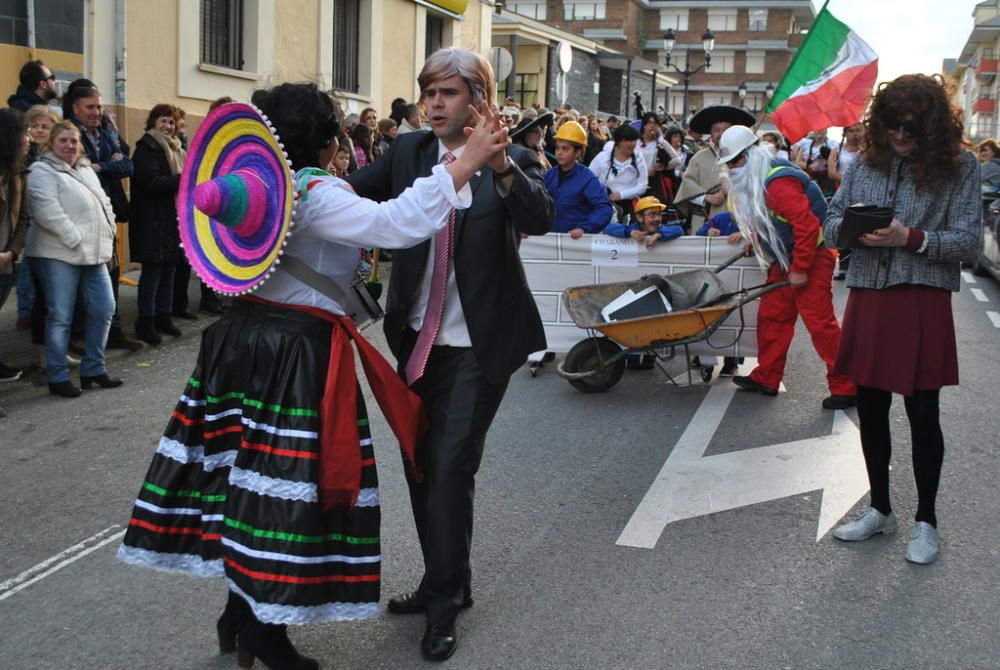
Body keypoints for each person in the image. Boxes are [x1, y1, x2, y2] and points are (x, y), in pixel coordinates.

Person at [118, 82, 510, 669]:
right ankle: (261, 630)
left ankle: (238, 615)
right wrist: (467, 161)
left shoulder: (260, 189)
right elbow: (397, 225)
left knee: (242, 484)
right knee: (284, 497)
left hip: (242, 343)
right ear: (329, 141)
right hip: (294, 353)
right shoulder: (316, 193)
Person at [346, 47, 555, 661]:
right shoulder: (409, 152)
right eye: (428, 92)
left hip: (478, 345)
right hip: (416, 341)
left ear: (478, 100)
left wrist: (503, 168)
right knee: (422, 465)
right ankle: (448, 580)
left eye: (448, 93)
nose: (434, 104)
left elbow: (540, 216)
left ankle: (442, 607)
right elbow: (346, 195)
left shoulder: (510, 156)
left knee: (449, 468)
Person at [825, 74, 981, 565]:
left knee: (922, 413)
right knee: (869, 409)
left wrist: (909, 237)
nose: (899, 135)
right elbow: (830, 222)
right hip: (870, 293)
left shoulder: (960, 167)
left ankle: (926, 521)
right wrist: (851, 232)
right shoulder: (866, 164)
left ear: (932, 124)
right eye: (891, 124)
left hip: (921, 297)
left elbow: (969, 243)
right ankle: (881, 510)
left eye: (910, 126)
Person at [715, 124, 856, 409]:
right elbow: (772, 219)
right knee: (772, 315)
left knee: (820, 324)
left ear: (750, 154)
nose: (731, 169)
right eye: (728, 164)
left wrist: (802, 268)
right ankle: (767, 376)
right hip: (789, 256)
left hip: (812, 255)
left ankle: (847, 387)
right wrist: (756, 239)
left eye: (734, 162)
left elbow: (806, 225)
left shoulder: (778, 183)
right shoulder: (761, 178)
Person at [24, 121, 122, 398]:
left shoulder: (85, 170)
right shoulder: (41, 171)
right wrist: (76, 240)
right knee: (60, 315)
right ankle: (57, 376)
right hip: (58, 253)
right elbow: (47, 212)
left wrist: (110, 229)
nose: (70, 146)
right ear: (51, 144)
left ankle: (93, 368)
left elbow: (105, 203)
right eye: (63, 141)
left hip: (92, 253)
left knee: (104, 308)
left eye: (74, 141)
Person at [67, 84, 145, 352]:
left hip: (108, 213)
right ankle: (77, 335)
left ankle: (115, 332)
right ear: (76, 108)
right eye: (91, 107)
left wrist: (102, 165)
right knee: (81, 280)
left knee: (111, 274)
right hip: (82, 216)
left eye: (99, 106)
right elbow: (81, 169)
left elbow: (128, 165)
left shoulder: (105, 133)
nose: (97, 112)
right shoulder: (70, 135)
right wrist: (106, 165)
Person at [129, 104, 187, 345]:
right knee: (152, 273)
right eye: (163, 121)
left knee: (169, 270)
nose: (168, 126)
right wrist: (182, 179)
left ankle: (164, 317)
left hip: (170, 218)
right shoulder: (146, 148)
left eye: (171, 122)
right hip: (151, 220)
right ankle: (146, 321)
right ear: (153, 122)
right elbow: (150, 182)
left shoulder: (176, 149)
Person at [173, 96, 231, 318]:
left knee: (221, 252)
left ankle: (213, 296)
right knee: (209, 251)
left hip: (225, 199)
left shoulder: (228, 135)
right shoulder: (206, 137)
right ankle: (207, 298)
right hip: (207, 201)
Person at [674, 105, 754, 231]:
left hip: (741, 217)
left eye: (726, 129)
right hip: (706, 219)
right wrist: (706, 198)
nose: (721, 134)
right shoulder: (698, 158)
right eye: (716, 130)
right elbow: (687, 184)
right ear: (710, 133)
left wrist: (729, 190)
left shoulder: (747, 157)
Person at [1, 108, 30, 398]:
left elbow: (22, 217)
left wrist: (11, 251)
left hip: (6, 259)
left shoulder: (19, 172)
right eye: (25, 132)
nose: (29, 138)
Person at [543, 120, 613, 238]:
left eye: (565, 149)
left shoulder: (587, 178)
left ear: (578, 152)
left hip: (575, 245)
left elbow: (604, 209)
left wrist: (584, 228)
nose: (559, 153)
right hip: (549, 243)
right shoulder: (548, 175)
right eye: (558, 148)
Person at [588, 124, 647, 221]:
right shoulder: (602, 158)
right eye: (629, 140)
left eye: (634, 140)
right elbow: (589, 179)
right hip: (604, 205)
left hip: (630, 207)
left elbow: (643, 186)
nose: (633, 144)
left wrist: (621, 194)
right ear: (619, 141)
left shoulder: (638, 159)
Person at [829, 123, 863, 280]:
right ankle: (843, 264)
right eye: (851, 131)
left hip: (864, 194)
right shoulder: (837, 149)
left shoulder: (867, 150)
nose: (855, 134)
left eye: (858, 130)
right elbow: (831, 172)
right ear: (845, 133)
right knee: (845, 227)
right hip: (843, 193)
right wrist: (850, 183)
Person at [604, 195, 683, 248]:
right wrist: (629, 232)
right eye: (652, 215)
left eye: (659, 215)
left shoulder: (661, 230)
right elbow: (608, 228)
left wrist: (658, 235)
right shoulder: (633, 229)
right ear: (639, 217)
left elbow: (679, 230)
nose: (657, 219)